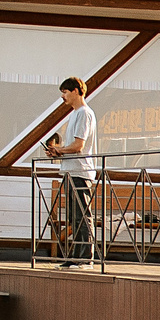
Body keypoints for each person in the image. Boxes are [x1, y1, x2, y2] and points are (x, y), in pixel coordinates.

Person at [44, 77, 97, 263]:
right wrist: (59, 152)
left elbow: (78, 146)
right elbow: (73, 146)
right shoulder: (75, 114)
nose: (63, 96)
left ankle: (85, 258)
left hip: (79, 172)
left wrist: (59, 150)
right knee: (74, 218)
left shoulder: (84, 113)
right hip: (71, 170)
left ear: (76, 90)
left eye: (65, 92)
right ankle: (76, 256)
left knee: (82, 216)